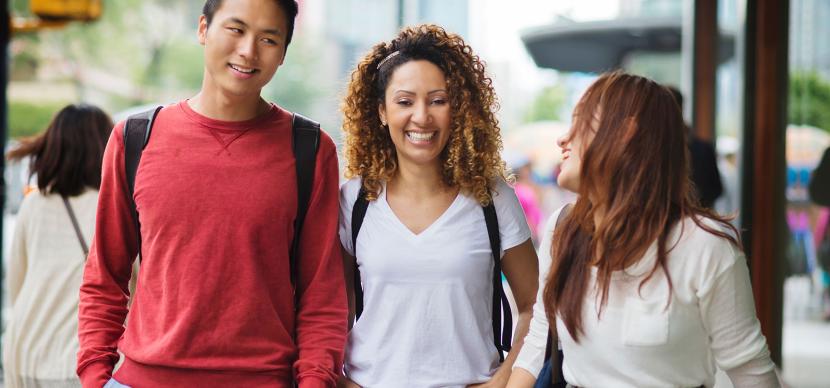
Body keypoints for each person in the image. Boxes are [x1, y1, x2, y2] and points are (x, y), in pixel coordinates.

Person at [76, 1, 347, 387]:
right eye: (235, 29)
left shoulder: (309, 150)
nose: (248, 51)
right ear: (203, 29)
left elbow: (322, 294)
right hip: (142, 379)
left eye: (268, 39)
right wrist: (94, 377)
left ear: (283, 52)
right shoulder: (135, 139)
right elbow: (104, 276)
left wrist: (315, 382)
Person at [507, 72, 780, 387]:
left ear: (626, 133)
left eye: (580, 122)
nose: (563, 139)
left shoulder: (704, 246)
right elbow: (540, 338)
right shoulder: (563, 228)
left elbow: (752, 372)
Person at [338, 24, 539, 387]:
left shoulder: (491, 198)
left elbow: (534, 307)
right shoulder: (354, 201)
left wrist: (502, 383)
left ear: (457, 109)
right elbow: (331, 314)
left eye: (438, 100)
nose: (422, 116)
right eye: (404, 101)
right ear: (381, 112)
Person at [2, 104, 112, 388]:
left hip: (26, 353)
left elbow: (17, 286)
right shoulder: (112, 206)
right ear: (105, 146)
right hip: (81, 362)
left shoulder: (33, 205)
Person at [667, 86, 723, 208]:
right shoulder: (703, 147)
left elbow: (716, 189)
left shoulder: (702, 148)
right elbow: (716, 189)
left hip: (694, 215)